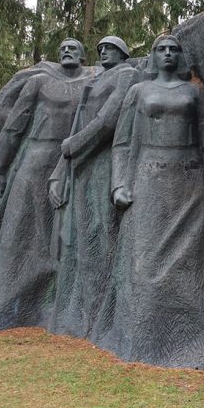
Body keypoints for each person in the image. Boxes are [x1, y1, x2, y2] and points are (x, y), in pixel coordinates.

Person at [105, 34, 204, 366]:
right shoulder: (138, 92)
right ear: (152, 55)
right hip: (147, 183)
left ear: (180, 57)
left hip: (191, 184)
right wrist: (119, 184)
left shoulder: (194, 93)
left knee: (195, 265)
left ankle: (199, 337)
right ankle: (143, 339)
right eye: (160, 49)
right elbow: (121, 144)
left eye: (173, 50)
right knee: (144, 263)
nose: (167, 54)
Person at [0, 38, 92, 331]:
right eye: (63, 48)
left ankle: (60, 305)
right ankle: (7, 309)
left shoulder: (94, 80)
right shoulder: (39, 82)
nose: (67, 50)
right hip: (35, 159)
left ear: (83, 55)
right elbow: (14, 125)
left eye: (73, 47)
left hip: (74, 162)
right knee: (20, 231)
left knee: (67, 236)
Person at [49, 36, 138, 340]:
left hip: (104, 159)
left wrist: (76, 144)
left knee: (102, 231)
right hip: (83, 162)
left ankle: (104, 311)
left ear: (123, 53)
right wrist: (62, 166)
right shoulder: (97, 79)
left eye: (109, 48)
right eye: (100, 49)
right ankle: (85, 310)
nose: (103, 52)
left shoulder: (126, 74)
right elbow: (79, 122)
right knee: (82, 235)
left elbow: (109, 118)